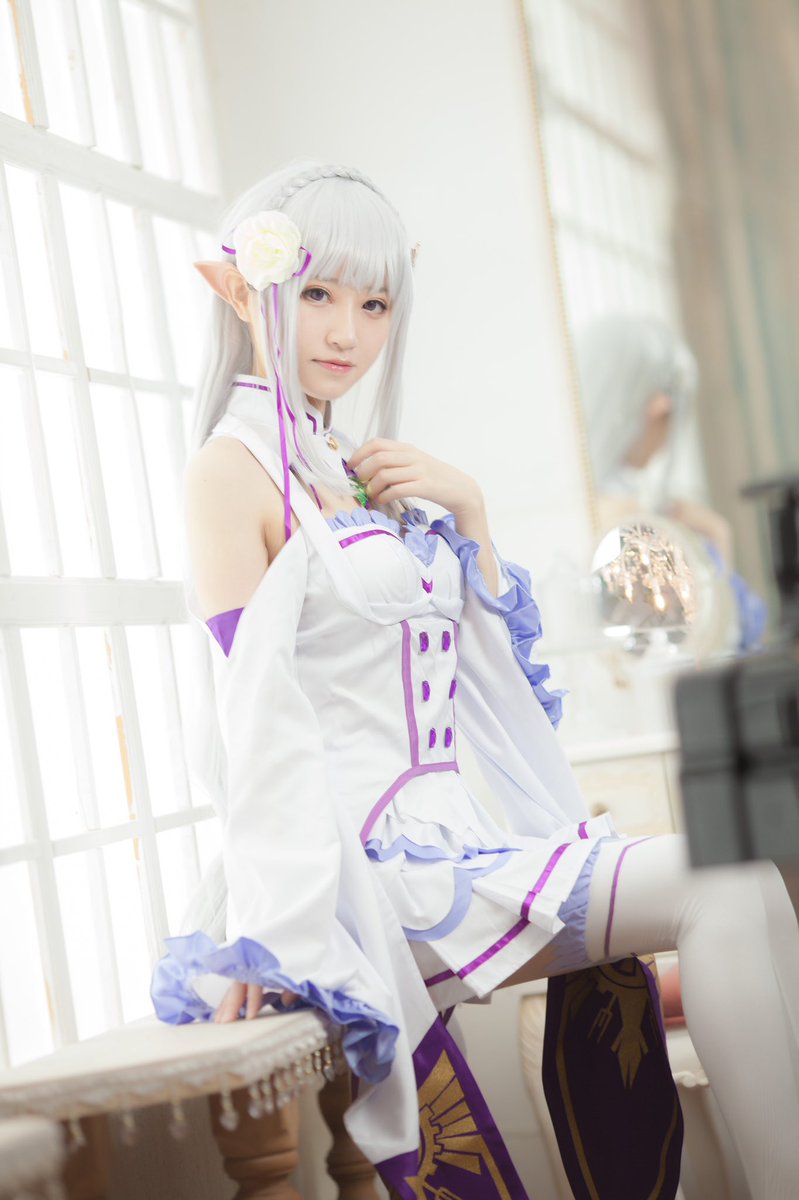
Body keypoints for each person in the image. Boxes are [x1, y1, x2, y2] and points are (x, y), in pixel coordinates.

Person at [151, 162, 799, 1199]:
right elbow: (252, 725)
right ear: (239, 289)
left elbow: (489, 690)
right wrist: (276, 928)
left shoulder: (351, 465)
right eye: (315, 293)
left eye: (374, 304)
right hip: (364, 873)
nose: (346, 332)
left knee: (750, 878)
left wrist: (472, 515)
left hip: (457, 843)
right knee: (721, 879)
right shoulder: (229, 473)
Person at [575, 314, 767, 651]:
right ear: (658, 409)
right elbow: (716, 636)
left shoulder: (622, 505)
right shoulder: (625, 520)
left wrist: (716, 535)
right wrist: (716, 540)